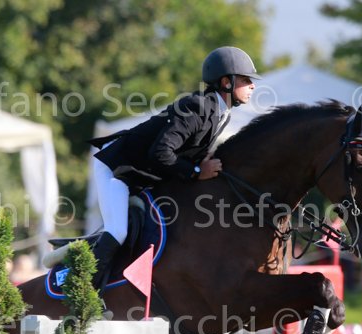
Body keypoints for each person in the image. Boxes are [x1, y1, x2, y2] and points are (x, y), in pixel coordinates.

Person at [88, 46, 259, 289]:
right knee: (118, 231)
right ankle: (82, 290)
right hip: (116, 167)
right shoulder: (197, 106)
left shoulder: (222, 114)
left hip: (144, 172)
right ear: (226, 82)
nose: (252, 86)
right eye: (246, 80)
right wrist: (196, 172)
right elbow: (161, 152)